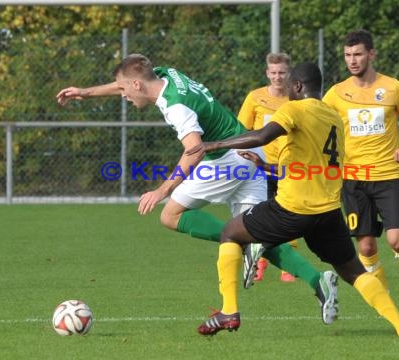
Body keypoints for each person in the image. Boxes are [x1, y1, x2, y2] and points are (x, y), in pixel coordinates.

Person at [56, 53, 339, 324]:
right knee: (256, 233)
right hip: (251, 153)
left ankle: (242, 245)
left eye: (125, 90)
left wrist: (162, 190)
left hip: (228, 161)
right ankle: (318, 281)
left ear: (138, 84)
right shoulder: (167, 74)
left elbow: (194, 150)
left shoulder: (175, 105)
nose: (123, 95)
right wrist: (86, 92)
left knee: (170, 215)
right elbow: (127, 79)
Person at [188, 61, 399, 340]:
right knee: (354, 272)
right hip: (327, 213)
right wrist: (266, 168)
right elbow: (311, 166)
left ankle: (229, 310)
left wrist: (212, 145)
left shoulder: (294, 109)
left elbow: (263, 136)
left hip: (292, 209)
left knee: (230, 232)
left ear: (298, 86)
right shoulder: (333, 117)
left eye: (289, 84)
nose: (286, 89)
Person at [322, 29, 399, 304]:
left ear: (371, 54)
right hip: (353, 179)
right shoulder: (336, 93)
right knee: (366, 246)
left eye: (357, 54)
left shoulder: (393, 88)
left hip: (387, 174)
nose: (352, 60)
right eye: (347, 55)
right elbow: (317, 122)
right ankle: (384, 299)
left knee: (398, 242)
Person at [237, 52, 296, 283]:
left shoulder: (294, 99)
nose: (278, 77)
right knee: (260, 214)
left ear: (288, 73)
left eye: (282, 72)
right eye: (273, 72)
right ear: (267, 73)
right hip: (259, 167)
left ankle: (288, 267)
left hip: (287, 167)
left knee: (289, 214)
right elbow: (242, 129)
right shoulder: (255, 97)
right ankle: (260, 263)